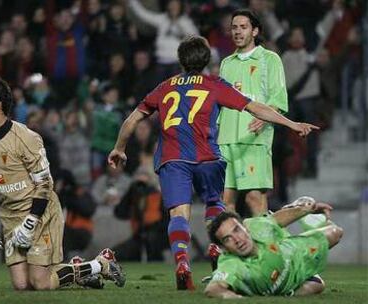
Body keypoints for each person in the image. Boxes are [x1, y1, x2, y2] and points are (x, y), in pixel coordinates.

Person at [108, 35, 318, 290]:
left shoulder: (165, 87)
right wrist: (291, 123)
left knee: (178, 213)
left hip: (173, 158)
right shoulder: (214, 84)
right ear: (207, 60)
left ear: (180, 60)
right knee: (214, 204)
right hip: (208, 157)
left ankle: (182, 260)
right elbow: (255, 108)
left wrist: (119, 148)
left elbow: (132, 120)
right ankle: (214, 246)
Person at [0, 78, 125, 290]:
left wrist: (29, 223)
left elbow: (45, 185)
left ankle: (100, 264)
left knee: (41, 283)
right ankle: (79, 269)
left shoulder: (26, 138)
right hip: (10, 216)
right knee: (21, 284)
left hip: (39, 213)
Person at [217, 9, 289, 217]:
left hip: (254, 138)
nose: (238, 32)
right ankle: (228, 249)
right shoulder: (226, 63)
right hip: (226, 139)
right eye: (234, 27)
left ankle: (266, 246)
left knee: (254, 198)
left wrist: (265, 118)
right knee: (226, 201)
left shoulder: (270, 59)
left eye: (243, 27)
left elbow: (278, 97)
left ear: (255, 31)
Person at [204, 198, 343, 298]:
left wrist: (307, 210)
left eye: (237, 230)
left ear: (245, 227)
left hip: (290, 251)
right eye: (228, 239)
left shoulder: (255, 226)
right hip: (286, 275)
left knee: (336, 232)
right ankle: (288, 292)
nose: (237, 240)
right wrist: (233, 297)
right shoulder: (231, 264)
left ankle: (300, 211)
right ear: (225, 249)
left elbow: (275, 220)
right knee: (318, 285)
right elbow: (212, 289)